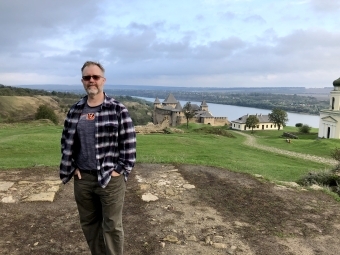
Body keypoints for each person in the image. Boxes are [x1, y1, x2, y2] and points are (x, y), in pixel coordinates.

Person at [59, 61, 136, 255]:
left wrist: (119, 170)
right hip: (83, 178)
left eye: (95, 77)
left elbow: (129, 144)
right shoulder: (75, 110)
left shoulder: (118, 109)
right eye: (87, 77)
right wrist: (73, 166)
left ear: (103, 80)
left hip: (110, 179)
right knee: (89, 224)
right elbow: (66, 141)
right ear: (82, 81)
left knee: (112, 227)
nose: (91, 81)